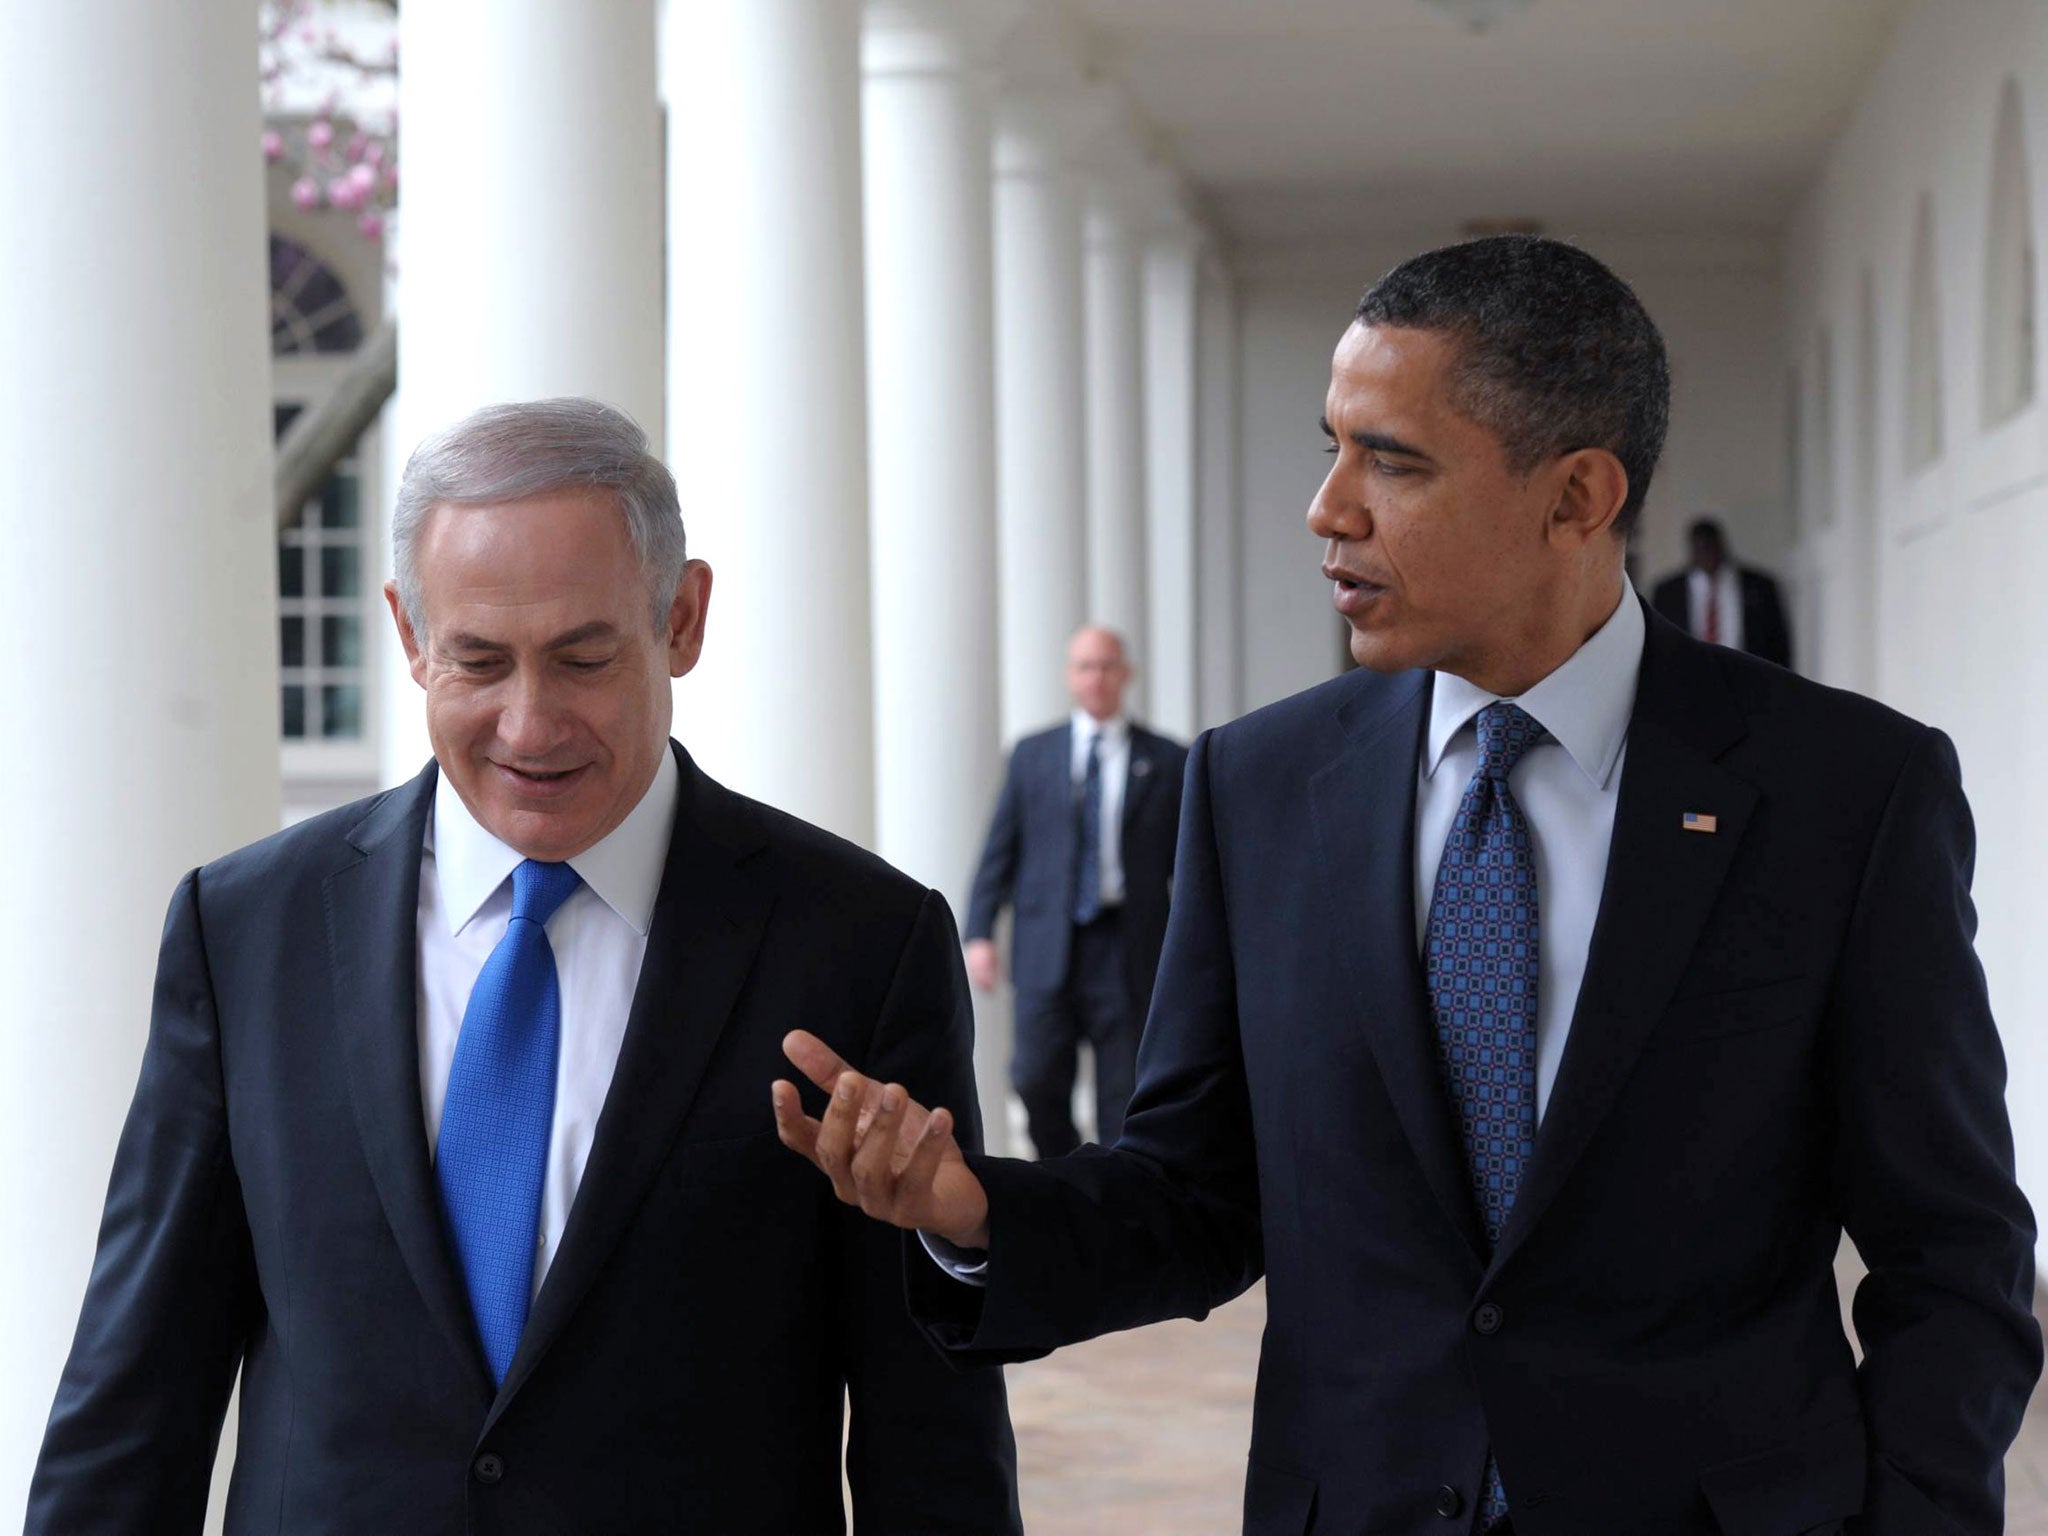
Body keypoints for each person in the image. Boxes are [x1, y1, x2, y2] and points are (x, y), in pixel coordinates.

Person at [773, 237, 2042, 1535]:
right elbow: (1197, 1194)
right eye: (1333, 444)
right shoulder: (1255, 789)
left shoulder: (1848, 794)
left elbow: (1954, 1251)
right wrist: (975, 1209)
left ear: (1578, 497)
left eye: (1394, 460)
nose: (1329, 506)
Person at [29, 399, 1020, 1534]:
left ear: (683, 619)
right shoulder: (245, 930)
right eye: (478, 661)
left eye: (583, 657)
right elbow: (136, 1388)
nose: (528, 723)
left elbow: (929, 1435)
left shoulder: (860, 944)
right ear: (407, 633)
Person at [962, 626, 1186, 1156]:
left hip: (1129, 944)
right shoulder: (1032, 755)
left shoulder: (1168, 760)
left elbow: (1189, 864)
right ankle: (1061, 1177)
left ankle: (1114, 1194)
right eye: (1085, 666)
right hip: (1048, 943)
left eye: (1107, 665)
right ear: (1070, 676)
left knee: (1125, 1090)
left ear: (1126, 674)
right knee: (1035, 1076)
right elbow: (1000, 849)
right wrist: (979, 932)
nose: (1096, 677)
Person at [1651, 515, 1793, 667]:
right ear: (1691, 549)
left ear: (1722, 545)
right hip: (1687, 680)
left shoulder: (1760, 586)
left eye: (1710, 546)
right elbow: (1657, 645)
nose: (1707, 554)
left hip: (1748, 679)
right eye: (1700, 547)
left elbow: (1779, 645)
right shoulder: (1667, 593)